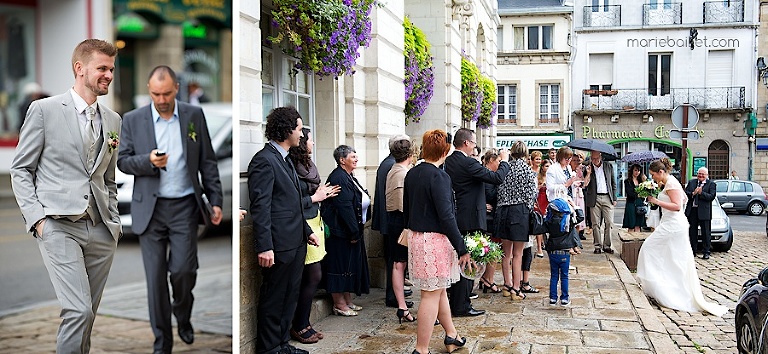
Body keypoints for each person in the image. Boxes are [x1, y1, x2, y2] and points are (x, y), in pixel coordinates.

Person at [10, 38, 121, 354]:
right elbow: (21, 169)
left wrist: (112, 222)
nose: (108, 75)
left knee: (88, 316)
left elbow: (107, 177)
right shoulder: (44, 110)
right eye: (102, 68)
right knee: (78, 311)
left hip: (101, 229)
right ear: (80, 68)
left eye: (111, 69)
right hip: (57, 225)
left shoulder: (114, 120)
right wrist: (38, 220)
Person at [117, 65, 223, 354]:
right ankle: (162, 343)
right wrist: (148, 161)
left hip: (184, 207)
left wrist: (215, 200)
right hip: (149, 211)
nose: (161, 99)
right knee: (155, 281)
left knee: (183, 271)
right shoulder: (133, 119)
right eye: (155, 94)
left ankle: (183, 314)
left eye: (165, 93)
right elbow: (123, 161)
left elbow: (207, 161)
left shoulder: (193, 115)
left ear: (177, 88)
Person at [248, 106, 320, 354]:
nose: (302, 134)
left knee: (290, 295)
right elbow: (261, 207)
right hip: (277, 246)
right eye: (299, 128)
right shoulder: (263, 160)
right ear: (287, 129)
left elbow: (290, 204)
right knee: (274, 297)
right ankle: (269, 349)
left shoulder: (285, 158)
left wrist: (306, 230)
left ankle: (281, 345)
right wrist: (265, 246)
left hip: (296, 241)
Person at [404, 129, 471, 354]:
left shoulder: (412, 174)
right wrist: (461, 247)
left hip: (418, 238)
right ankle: (421, 349)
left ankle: (451, 335)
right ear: (445, 150)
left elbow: (407, 210)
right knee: (430, 294)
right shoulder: (439, 176)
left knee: (439, 290)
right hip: (433, 240)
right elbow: (446, 216)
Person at [637, 159, 727, 316]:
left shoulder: (672, 183)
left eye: (653, 175)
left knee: (650, 248)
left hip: (673, 225)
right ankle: (661, 285)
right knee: (669, 257)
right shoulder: (664, 183)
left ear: (661, 172)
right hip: (667, 222)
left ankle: (663, 287)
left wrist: (656, 200)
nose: (653, 178)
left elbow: (677, 206)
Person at [444, 128, 509, 316]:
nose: (474, 147)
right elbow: (496, 177)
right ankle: (461, 305)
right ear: (465, 143)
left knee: (461, 262)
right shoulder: (466, 162)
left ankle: (458, 301)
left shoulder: (450, 161)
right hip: (470, 218)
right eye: (473, 143)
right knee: (468, 263)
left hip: (459, 216)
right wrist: (503, 161)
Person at [288, 128, 340, 344]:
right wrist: (316, 196)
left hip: (315, 222)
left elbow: (310, 194)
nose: (313, 143)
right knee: (313, 276)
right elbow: (290, 202)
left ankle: (304, 322)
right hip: (303, 224)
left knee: (314, 275)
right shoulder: (291, 166)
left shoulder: (308, 164)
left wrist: (321, 194)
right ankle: (299, 325)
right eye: (310, 139)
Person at [321, 145, 372, 316]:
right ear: (342, 160)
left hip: (349, 230)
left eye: (356, 156)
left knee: (348, 266)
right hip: (340, 232)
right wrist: (353, 231)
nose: (356, 159)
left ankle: (347, 300)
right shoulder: (339, 178)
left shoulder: (349, 176)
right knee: (339, 265)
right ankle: (339, 304)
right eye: (352, 156)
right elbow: (345, 208)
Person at [372, 135, 413, 309]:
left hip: (392, 220)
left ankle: (397, 295)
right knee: (396, 262)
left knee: (397, 262)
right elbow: (400, 203)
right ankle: (395, 298)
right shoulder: (395, 169)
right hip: (396, 221)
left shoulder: (391, 165)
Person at [495, 141, 538, 300]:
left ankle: (506, 285)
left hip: (503, 210)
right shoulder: (527, 170)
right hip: (519, 211)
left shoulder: (505, 167)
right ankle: (516, 288)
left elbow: (498, 188)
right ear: (526, 153)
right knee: (518, 253)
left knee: (506, 254)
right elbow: (531, 194)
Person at [385, 138, 416, 322]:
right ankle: (402, 306)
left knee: (399, 264)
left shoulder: (395, 170)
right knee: (399, 264)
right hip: (400, 222)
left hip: (396, 221)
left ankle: (402, 307)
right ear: (410, 155)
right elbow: (404, 205)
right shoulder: (401, 174)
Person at [544, 197, 583, 306]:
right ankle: (564, 299)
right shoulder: (568, 220)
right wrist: (574, 206)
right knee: (564, 276)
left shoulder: (549, 220)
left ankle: (553, 298)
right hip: (565, 252)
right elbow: (581, 216)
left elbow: (542, 227)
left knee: (554, 276)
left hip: (552, 252)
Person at [583, 150, 617, 254]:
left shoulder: (608, 166)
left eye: (596, 158)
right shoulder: (588, 167)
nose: (595, 160)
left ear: (601, 157)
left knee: (609, 222)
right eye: (593, 158)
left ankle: (607, 245)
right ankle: (597, 246)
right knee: (595, 223)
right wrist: (588, 173)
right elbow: (585, 184)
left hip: (607, 196)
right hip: (594, 197)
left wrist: (614, 198)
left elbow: (613, 182)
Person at [478, 150, 502, 294]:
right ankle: (488, 279)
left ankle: (487, 278)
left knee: (492, 249)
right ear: (490, 161)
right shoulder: (488, 177)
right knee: (492, 249)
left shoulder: (487, 175)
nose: (499, 164)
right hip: (489, 218)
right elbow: (491, 195)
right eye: (498, 161)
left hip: (490, 216)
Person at [684, 167, 716, 260]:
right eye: (699, 174)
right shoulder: (692, 182)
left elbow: (711, 197)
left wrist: (701, 193)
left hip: (704, 212)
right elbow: (686, 193)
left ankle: (706, 252)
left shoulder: (711, 184)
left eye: (703, 174)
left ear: (707, 175)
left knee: (706, 233)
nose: (700, 176)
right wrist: (693, 193)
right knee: (692, 232)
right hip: (692, 210)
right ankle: (692, 251)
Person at [622, 164, 648, 232]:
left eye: (639, 171)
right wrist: (638, 195)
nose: (637, 172)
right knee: (631, 225)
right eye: (635, 170)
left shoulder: (642, 181)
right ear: (632, 171)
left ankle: (637, 241)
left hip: (640, 204)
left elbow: (646, 191)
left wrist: (645, 181)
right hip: (631, 204)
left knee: (638, 225)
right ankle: (630, 241)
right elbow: (630, 193)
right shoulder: (628, 181)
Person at [569, 152, 588, 240]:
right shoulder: (567, 170)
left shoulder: (580, 170)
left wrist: (588, 174)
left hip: (579, 194)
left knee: (579, 217)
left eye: (577, 160)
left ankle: (576, 241)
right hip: (571, 196)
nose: (576, 162)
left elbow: (584, 184)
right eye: (574, 160)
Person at [535, 159, 551, 257]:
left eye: (549, 166)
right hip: (540, 199)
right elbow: (535, 189)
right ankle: (539, 247)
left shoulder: (551, 177)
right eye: (546, 166)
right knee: (539, 224)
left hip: (548, 200)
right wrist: (541, 186)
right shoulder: (538, 176)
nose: (547, 168)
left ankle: (546, 243)